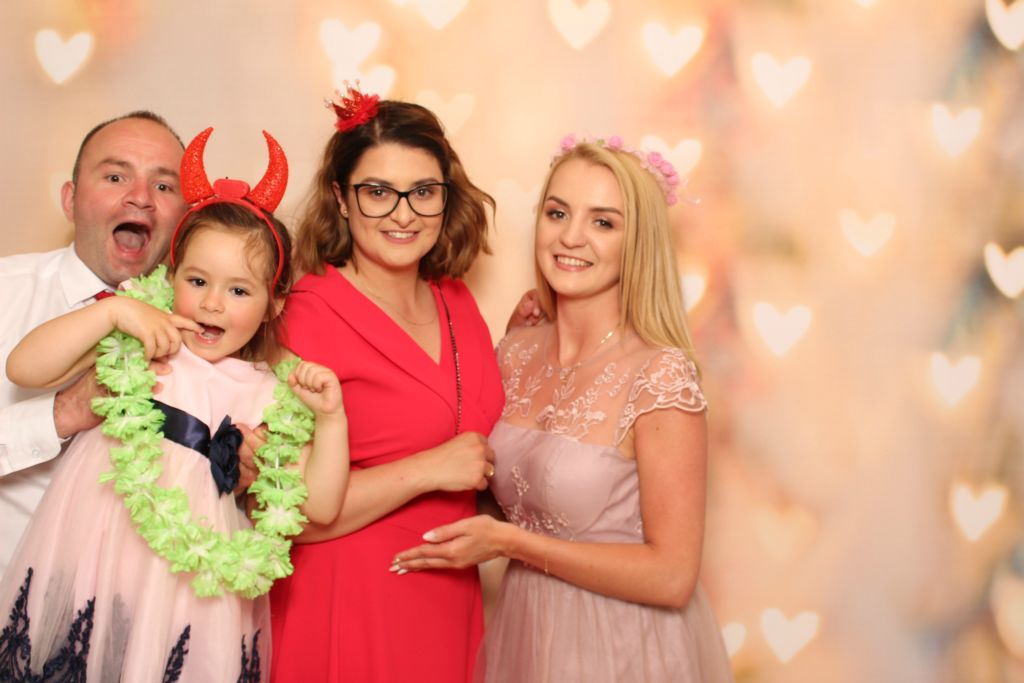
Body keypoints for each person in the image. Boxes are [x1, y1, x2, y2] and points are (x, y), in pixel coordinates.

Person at [0, 129, 350, 681]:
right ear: (170, 277)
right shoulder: (141, 336)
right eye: (197, 280)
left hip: (186, 598)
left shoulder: (267, 393)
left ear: (274, 302)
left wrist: (331, 420)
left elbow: (322, 506)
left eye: (239, 290)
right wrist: (112, 313)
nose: (212, 303)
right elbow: (24, 368)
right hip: (92, 567)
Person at [394, 136, 735, 682]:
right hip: (528, 636)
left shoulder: (660, 375)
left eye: (603, 222)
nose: (571, 236)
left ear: (638, 242)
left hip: (621, 649)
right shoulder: (515, 353)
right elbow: (486, 490)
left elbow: (672, 576)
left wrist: (511, 543)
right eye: (557, 213)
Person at [267, 85, 504, 682]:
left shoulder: (458, 301)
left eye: (423, 192)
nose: (403, 214)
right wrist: (429, 469)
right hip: (346, 606)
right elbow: (283, 514)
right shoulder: (303, 316)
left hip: (449, 604)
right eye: (377, 193)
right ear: (340, 200)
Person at [0, 111, 187, 576]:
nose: (140, 197)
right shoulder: (6, 290)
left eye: (163, 185)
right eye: (115, 176)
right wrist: (63, 412)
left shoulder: (207, 323)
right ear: (70, 199)